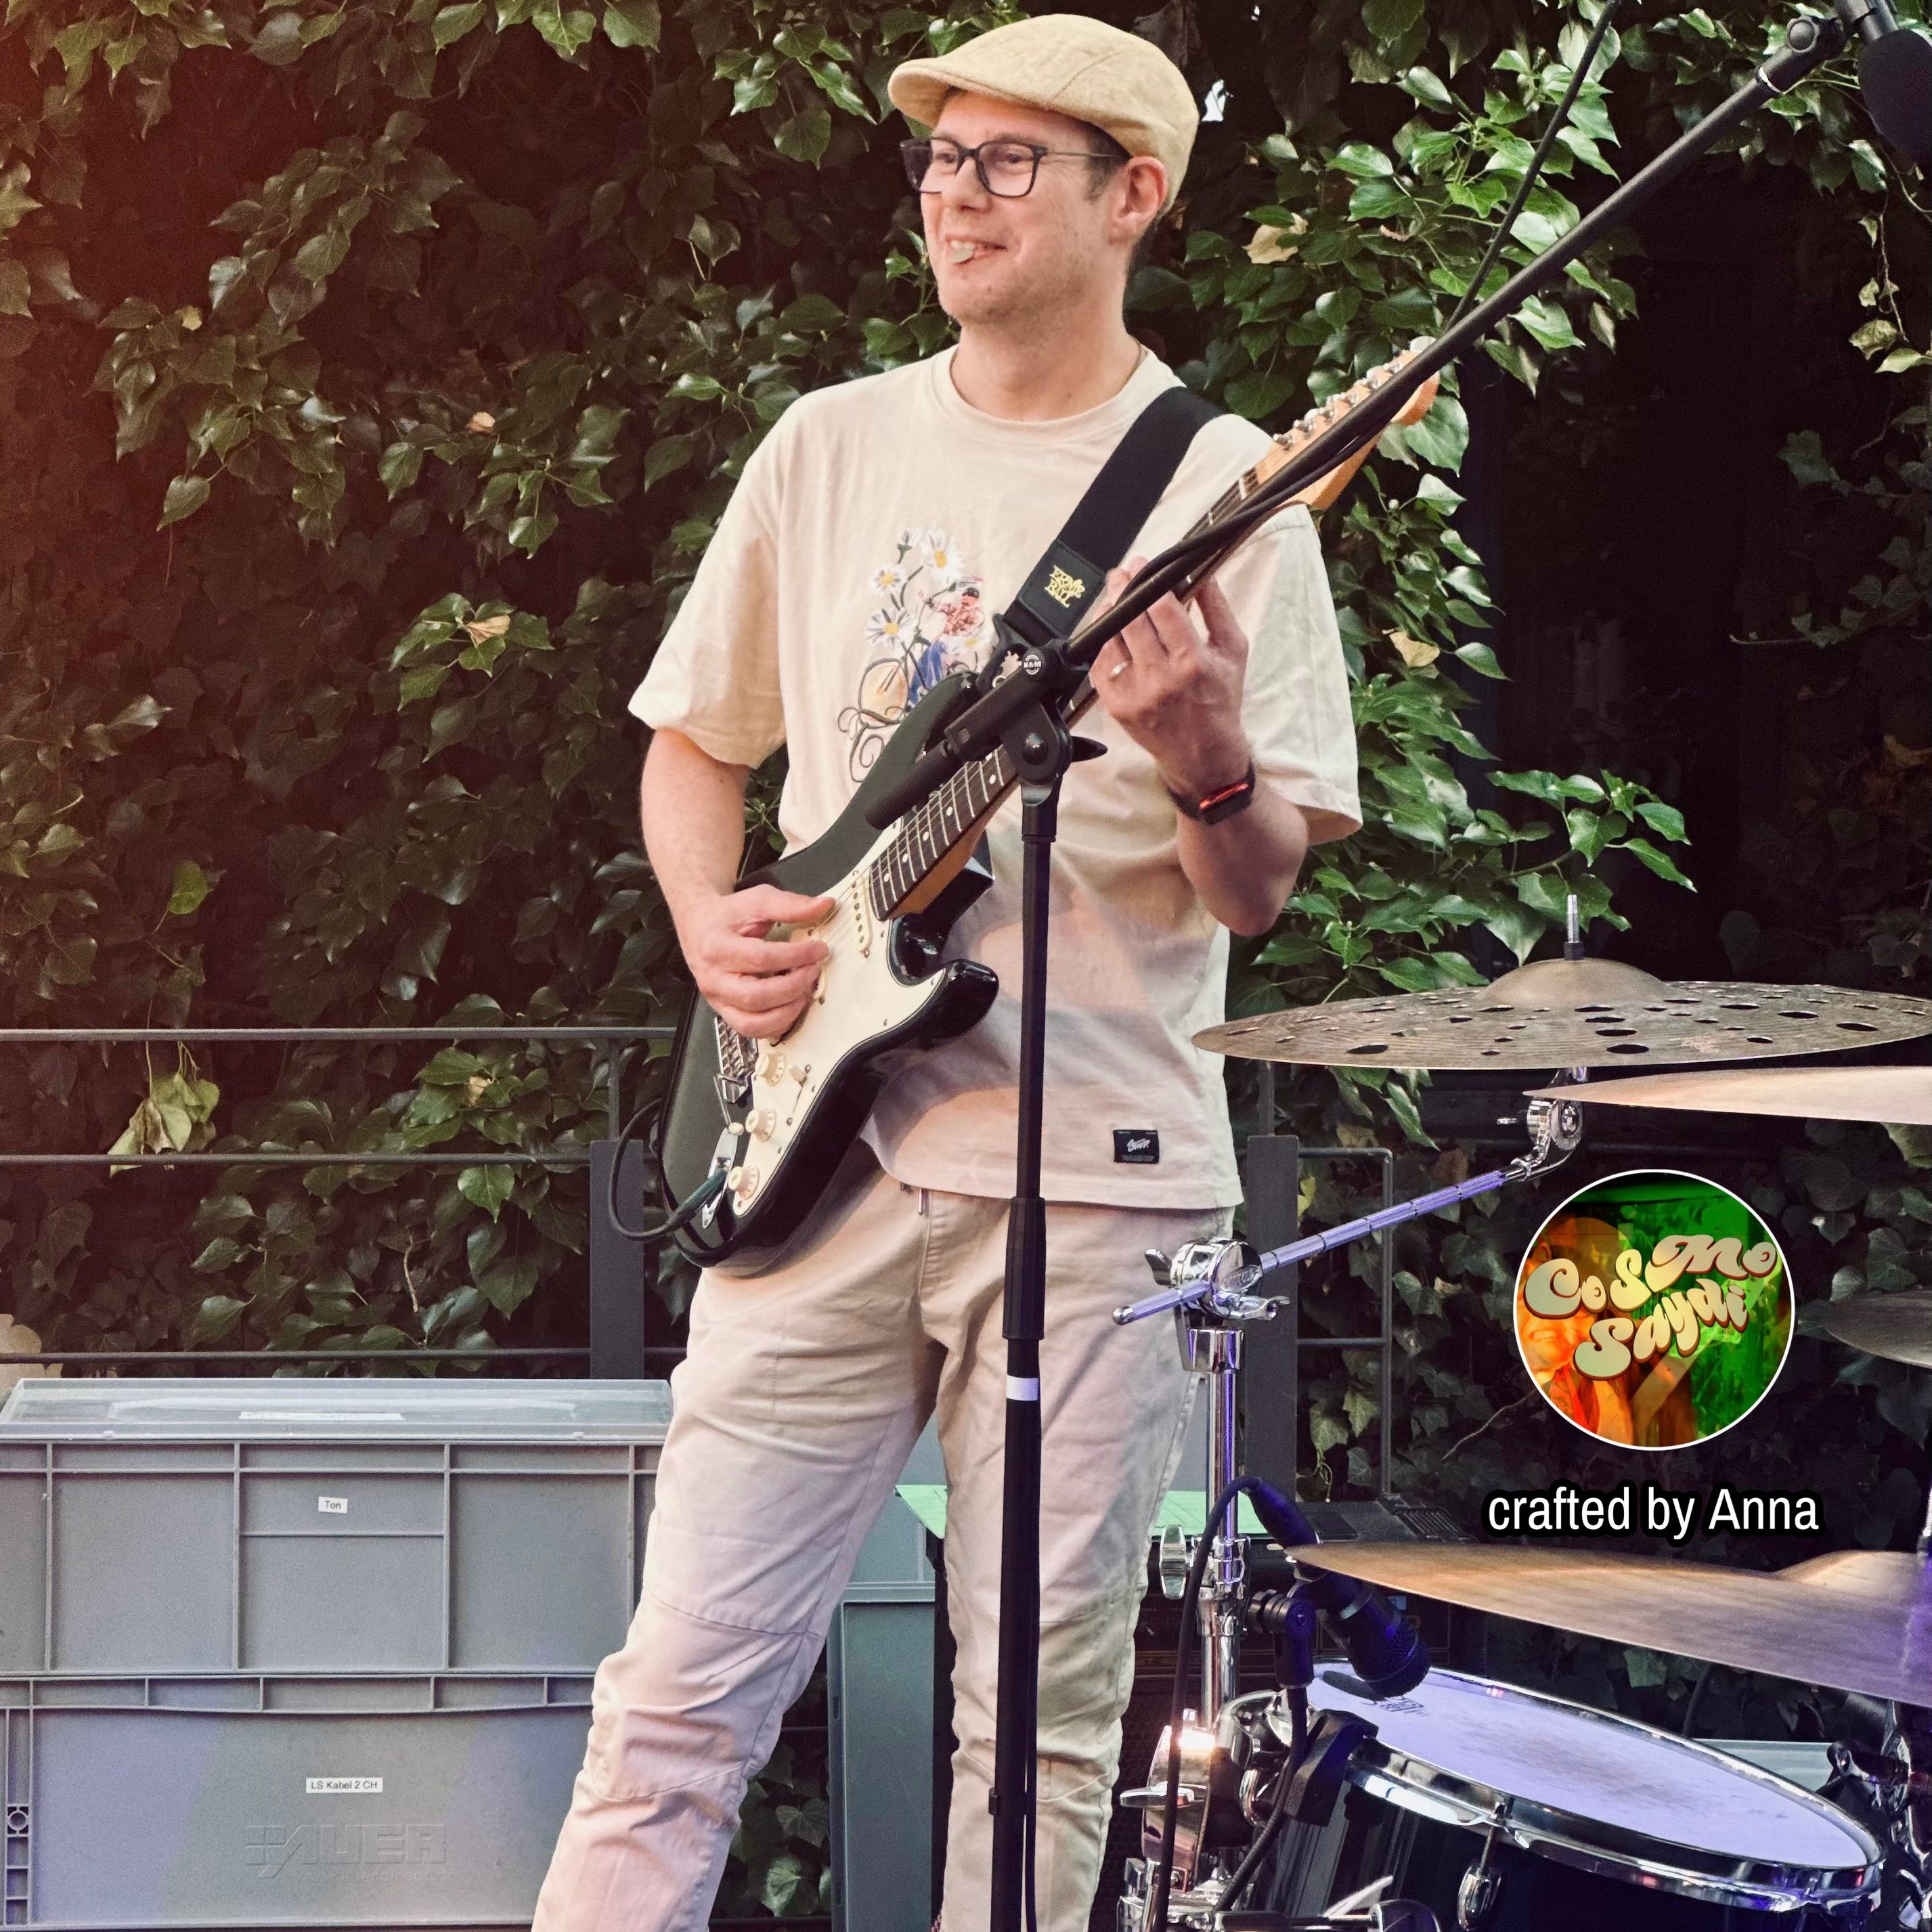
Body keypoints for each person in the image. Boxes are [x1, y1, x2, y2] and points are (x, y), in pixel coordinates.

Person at [533, 15, 1363, 1930]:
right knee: (669, 1708)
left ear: (1132, 196)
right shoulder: (830, 444)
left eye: (1006, 164)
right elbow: (692, 745)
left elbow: (1255, 892)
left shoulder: (1228, 494)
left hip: (1096, 1187)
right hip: (816, 1159)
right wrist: (708, 918)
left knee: (1042, 1743)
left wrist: (1205, 755)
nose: (953, 199)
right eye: (939, 159)